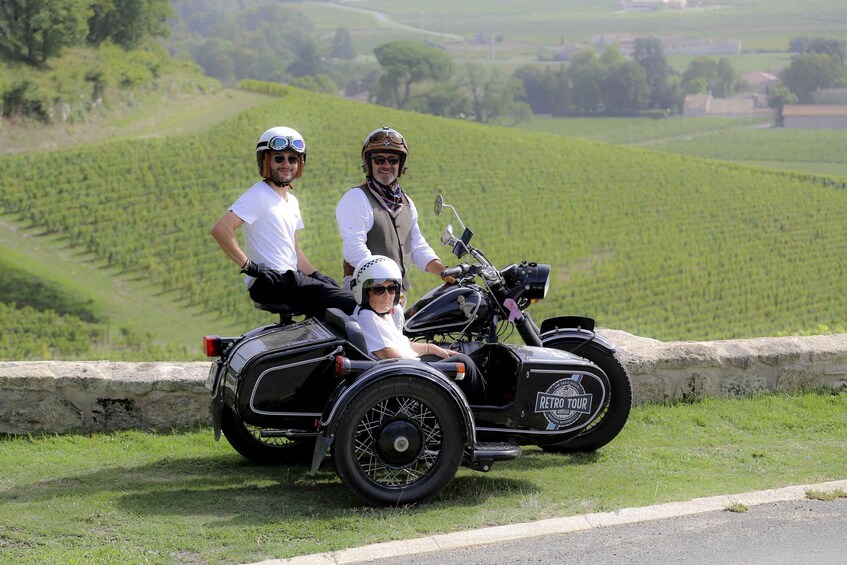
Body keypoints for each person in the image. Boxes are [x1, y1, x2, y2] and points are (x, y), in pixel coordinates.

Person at [211, 126, 356, 320]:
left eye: (292, 159)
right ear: (265, 161)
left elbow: (294, 250)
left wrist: (316, 274)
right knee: (356, 303)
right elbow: (221, 229)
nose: (286, 164)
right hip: (271, 282)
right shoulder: (258, 195)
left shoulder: (292, 202)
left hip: (289, 280)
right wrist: (250, 267)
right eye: (279, 158)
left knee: (331, 312)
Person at [335, 126, 453, 298]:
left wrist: (446, 273)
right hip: (366, 294)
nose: (386, 165)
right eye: (379, 160)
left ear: (400, 164)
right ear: (369, 163)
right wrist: (383, 281)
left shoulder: (406, 204)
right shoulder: (357, 198)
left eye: (393, 160)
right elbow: (354, 248)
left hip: (395, 295)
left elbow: (417, 247)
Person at [351, 255, 487, 403]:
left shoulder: (378, 314)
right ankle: (489, 408)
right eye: (379, 289)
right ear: (364, 292)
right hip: (406, 377)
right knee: (464, 361)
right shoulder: (368, 318)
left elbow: (401, 345)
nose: (387, 295)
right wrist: (428, 363)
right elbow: (394, 358)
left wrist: (432, 348)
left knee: (481, 356)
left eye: (392, 288)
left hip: (409, 370)